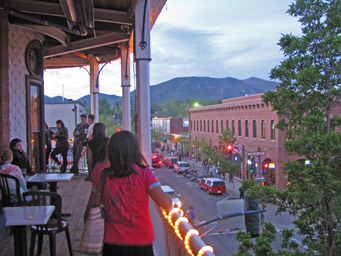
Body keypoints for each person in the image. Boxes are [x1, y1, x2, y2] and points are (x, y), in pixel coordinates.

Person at [84, 130, 172, 256]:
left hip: (112, 243)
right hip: (141, 243)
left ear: (111, 151)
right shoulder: (144, 173)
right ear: (134, 150)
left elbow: (91, 208)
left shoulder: (103, 176)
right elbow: (165, 203)